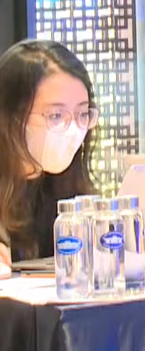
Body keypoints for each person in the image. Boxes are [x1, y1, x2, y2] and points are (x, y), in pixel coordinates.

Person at [0, 41, 98, 267]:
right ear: (12, 117)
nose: (73, 129)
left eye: (83, 113)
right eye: (56, 115)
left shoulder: (69, 190)